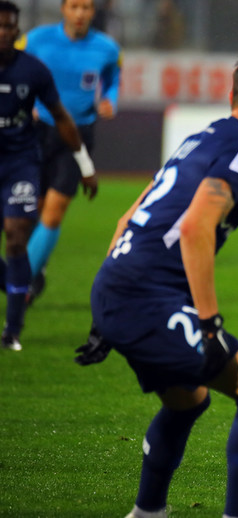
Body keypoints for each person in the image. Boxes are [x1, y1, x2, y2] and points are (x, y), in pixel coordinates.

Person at [78, 51, 238, 518]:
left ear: (231, 96)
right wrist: (210, 324)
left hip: (116, 285)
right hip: (144, 298)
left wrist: (104, 311)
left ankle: (148, 511)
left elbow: (127, 217)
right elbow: (196, 227)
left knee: (187, 399)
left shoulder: (200, 138)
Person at [0, 0, 94, 351]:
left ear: (17, 31)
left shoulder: (33, 71)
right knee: (13, 255)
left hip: (21, 163)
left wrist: (86, 166)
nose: (4, 33)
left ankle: (12, 329)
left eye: (9, 27)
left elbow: (62, 117)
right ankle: (17, 281)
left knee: (16, 236)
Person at [19, 0, 119, 302]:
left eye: (86, 8)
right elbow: (11, 71)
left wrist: (110, 100)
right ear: (62, 8)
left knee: (55, 209)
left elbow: (113, 80)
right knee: (32, 211)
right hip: (35, 133)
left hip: (77, 137)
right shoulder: (36, 40)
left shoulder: (107, 48)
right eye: (74, 6)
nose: (80, 14)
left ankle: (21, 285)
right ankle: (39, 265)